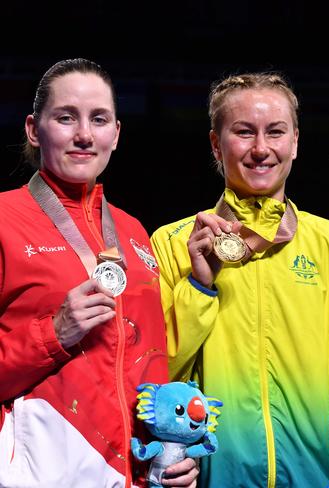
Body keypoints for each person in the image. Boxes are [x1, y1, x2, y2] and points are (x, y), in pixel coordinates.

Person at [151, 73, 329, 487]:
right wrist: (199, 287)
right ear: (216, 144)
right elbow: (156, 377)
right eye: (243, 132)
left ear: (295, 142)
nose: (261, 149)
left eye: (275, 132)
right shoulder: (173, 244)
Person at [0, 58, 198, 488]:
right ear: (35, 129)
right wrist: (54, 332)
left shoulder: (134, 233)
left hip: (131, 475)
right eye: (66, 117)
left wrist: (168, 455)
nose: (84, 135)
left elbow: (151, 367)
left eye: (99, 119)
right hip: (40, 472)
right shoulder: (3, 218)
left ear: (116, 134)